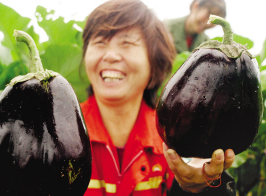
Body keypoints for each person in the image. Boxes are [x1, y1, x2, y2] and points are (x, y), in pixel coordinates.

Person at [80, 0, 235, 195]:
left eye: (126, 43)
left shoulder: (174, 138)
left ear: (155, 63)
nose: (110, 56)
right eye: (99, 42)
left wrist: (197, 188)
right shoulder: (62, 130)